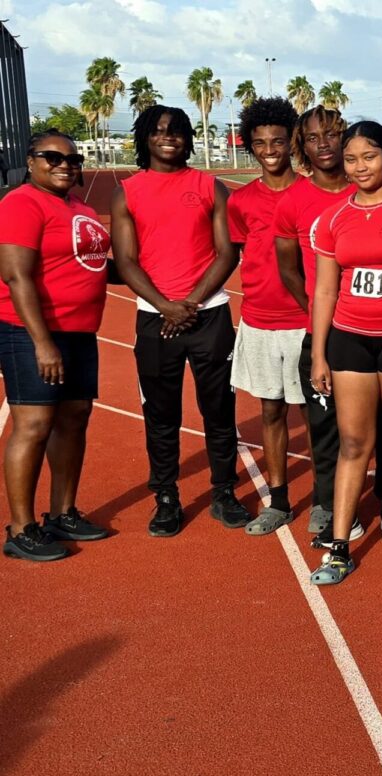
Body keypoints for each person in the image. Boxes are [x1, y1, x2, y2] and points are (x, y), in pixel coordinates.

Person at [111, 105, 252, 536]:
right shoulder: (127, 192)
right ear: (145, 138)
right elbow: (126, 260)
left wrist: (188, 303)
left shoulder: (210, 186)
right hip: (156, 321)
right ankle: (167, 497)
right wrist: (164, 306)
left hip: (208, 316)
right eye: (158, 130)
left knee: (219, 409)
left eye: (176, 130)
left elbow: (227, 252)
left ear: (188, 138)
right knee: (161, 413)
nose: (168, 136)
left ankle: (224, 490)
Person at [307, 121, 382, 584]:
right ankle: (339, 545)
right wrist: (319, 355)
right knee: (354, 442)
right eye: (352, 159)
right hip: (349, 338)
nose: (360, 167)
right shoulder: (333, 218)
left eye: (369, 157)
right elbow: (323, 291)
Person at [273, 106, 382, 544]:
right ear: (302, 146)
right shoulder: (297, 201)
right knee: (331, 429)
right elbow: (290, 267)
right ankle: (329, 507)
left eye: (331, 135)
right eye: (312, 137)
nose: (323, 143)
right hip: (331, 331)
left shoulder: (381, 194)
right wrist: (318, 317)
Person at [0, 130, 111, 561]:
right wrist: (42, 343)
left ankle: (62, 512)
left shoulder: (77, 206)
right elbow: (16, 275)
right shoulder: (20, 203)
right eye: (53, 157)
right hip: (32, 332)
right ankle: (21, 527)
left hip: (80, 330)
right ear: (31, 161)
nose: (65, 164)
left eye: (72, 158)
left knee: (75, 417)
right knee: (33, 424)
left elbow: (93, 263)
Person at [227, 97, 306, 536]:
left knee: (316, 416)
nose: (270, 149)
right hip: (258, 321)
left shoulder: (312, 194)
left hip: (303, 321)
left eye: (277, 140)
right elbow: (235, 254)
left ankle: (328, 502)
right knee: (271, 411)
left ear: (291, 141)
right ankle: (278, 499)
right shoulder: (240, 201)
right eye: (260, 142)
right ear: (250, 147)